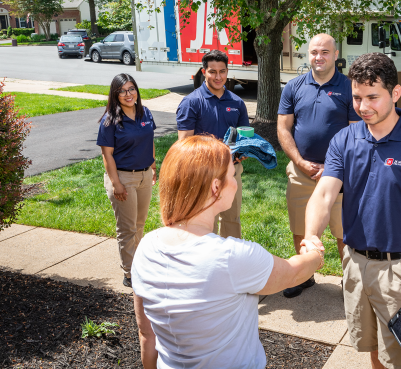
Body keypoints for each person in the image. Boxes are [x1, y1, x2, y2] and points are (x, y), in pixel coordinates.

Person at [304, 53, 401, 369]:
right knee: (372, 349)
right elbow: (324, 194)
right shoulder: (345, 139)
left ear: (395, 93)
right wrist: (311, 236)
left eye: (373, 97)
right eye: (357, 97)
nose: (363, 106)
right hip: (356, 263)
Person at [131, 135, 324, 369]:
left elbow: (147, 335)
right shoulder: (231, 257)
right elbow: (294, 273)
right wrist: (313, 252)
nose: (235, 182)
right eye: (233, 175)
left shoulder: (147, 247)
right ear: (215, 187)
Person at [277, 33, 360, 298]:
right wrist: (299, 162)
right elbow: (283, 128)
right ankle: (304, 275)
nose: (318, 57)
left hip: (338, 176)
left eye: (325, 52)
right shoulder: (293, 87)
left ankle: (350, 285)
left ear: (336, 55)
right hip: (301, 173)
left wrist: (333, 167)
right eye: (314, 52)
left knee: (343, 234)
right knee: (300, 228)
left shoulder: (349, 88)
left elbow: (355, 133)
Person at [176, 49, 249, 239]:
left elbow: (243, 137)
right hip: (202, 173)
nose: (218, 76)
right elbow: (184, 145)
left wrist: (245, 150)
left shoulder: (237, 103)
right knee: (204, 222)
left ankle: (232, 264)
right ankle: (207, 264)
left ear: (227, 72)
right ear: (203, 72)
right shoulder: (191, 102)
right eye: (212, 72)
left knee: (232, 219)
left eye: (222, 71)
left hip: (231, 171)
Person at [97, 73, 157, 288]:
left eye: (131, 89)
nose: (128, 94)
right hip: (123, 177)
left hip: (144, 175)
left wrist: (152, 165)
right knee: (127, 228)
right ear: (115, 94)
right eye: (122, 91)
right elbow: (107, 155)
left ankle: (138, 265)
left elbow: (149, 139)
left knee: (139, 225)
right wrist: (116, 184)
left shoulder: (145, 113)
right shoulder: (110, 120)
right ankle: (130, 273)